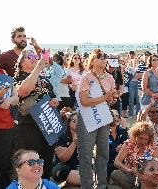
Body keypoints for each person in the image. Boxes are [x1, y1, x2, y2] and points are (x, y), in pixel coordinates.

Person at [14, 50, 59, 179]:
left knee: (46, 163)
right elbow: (23, 91)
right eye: (30, 56)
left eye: (35, 56)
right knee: (30, 163)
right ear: (22, 61)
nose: (34, 58)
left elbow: (53, 97)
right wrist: (38, 68)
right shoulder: (19, 77)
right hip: (28, 127)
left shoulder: (44, 80)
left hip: (47, 127)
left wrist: (54, 101)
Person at [77, 49, 117, 188]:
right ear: (92, 60)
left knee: (103, 153)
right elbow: (84, 101)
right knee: (86, 155)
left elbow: (111, 101)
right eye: (99, 57)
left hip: (103, 118)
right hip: (87, 118)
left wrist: (113, 97)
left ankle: (101, 185)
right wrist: (105, 98)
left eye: (105, 57)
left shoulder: (110, 77)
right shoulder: (86, 77)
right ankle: (87, 186)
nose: (103, 59)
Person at [111, 121, 158, 189]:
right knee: (115, 174)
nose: (143, 141)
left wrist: (146, 172)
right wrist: (129, 170)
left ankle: (146, 186)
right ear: (135, 135)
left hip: (149, 175)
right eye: (140, 138)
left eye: (146, 139)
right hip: (132, 175)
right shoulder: (128, 144)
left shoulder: (153, 145)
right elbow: (117, 162)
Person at [0, 43, 19, 189]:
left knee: (4, 171)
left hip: (5, 128)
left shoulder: (3, 74)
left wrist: (10, 100)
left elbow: (16, 98)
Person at [52, 107, 80, 186]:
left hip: (78, 167)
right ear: (69, 122)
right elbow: (63, 158)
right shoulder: (62, 136)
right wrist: (74, 143)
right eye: (74, 120)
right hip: (62, 168)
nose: (77, 123)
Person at [141, 54, 158, 118]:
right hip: (148, 100)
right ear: (150, 62)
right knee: (148, 123)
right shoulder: (147, 73)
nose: (156, 61)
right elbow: (144, 88)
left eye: (157, 59)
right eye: (153, 60)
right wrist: (154, 95)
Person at [108, 110, 128, 179]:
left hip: (121, 162)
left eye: (118, 116)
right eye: (114, 116)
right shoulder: (103, 133)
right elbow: (102, 155)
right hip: (109, 163)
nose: (117, 118)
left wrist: (125, 128)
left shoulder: (121, 131)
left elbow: (127, 145)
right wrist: (115, 150)